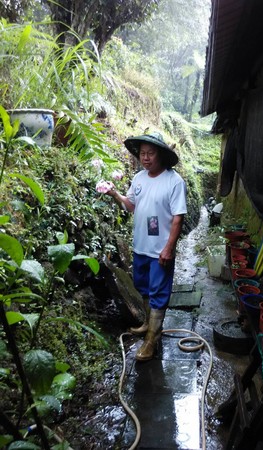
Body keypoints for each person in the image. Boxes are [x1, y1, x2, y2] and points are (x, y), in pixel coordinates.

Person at [104, 131, 187, 361]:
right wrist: (114, 194)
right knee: (143, 286)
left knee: (159, 292)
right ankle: (147, 324)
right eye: (142, 154)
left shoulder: (174, 181)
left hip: (161, 250)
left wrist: (169, 248)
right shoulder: (139, 178)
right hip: (141, 246)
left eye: (151, 153)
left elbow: (178, 218)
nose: (146, 158)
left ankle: (152, 338)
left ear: (161, 155)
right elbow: (131, 206)